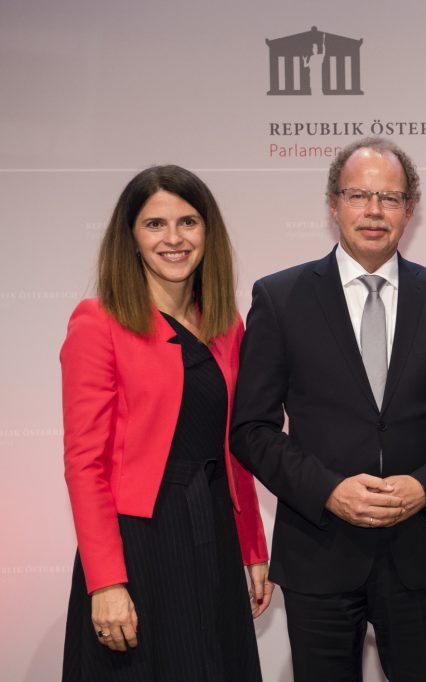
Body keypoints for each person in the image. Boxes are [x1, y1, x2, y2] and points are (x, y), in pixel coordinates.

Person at [230, 137, 426, 682]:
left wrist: (425, 486)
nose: (374, 210)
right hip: (318, 551)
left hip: (422, 554)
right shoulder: (280, 298)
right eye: (358, 195)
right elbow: (251, 429)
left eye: (390, 198)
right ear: (333, 204)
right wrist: (328, 490)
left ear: (409, 210)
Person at [61, 165, 272, 680]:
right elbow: (85, 465)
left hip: (215, 533)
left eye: (188, 222)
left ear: (207, 232)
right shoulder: (98, 322)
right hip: (139, 543)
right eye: (155, 224)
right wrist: (105, 582)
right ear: (131, 238)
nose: (173, 238)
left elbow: (234, 448)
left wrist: (252, 546)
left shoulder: (225, 323)